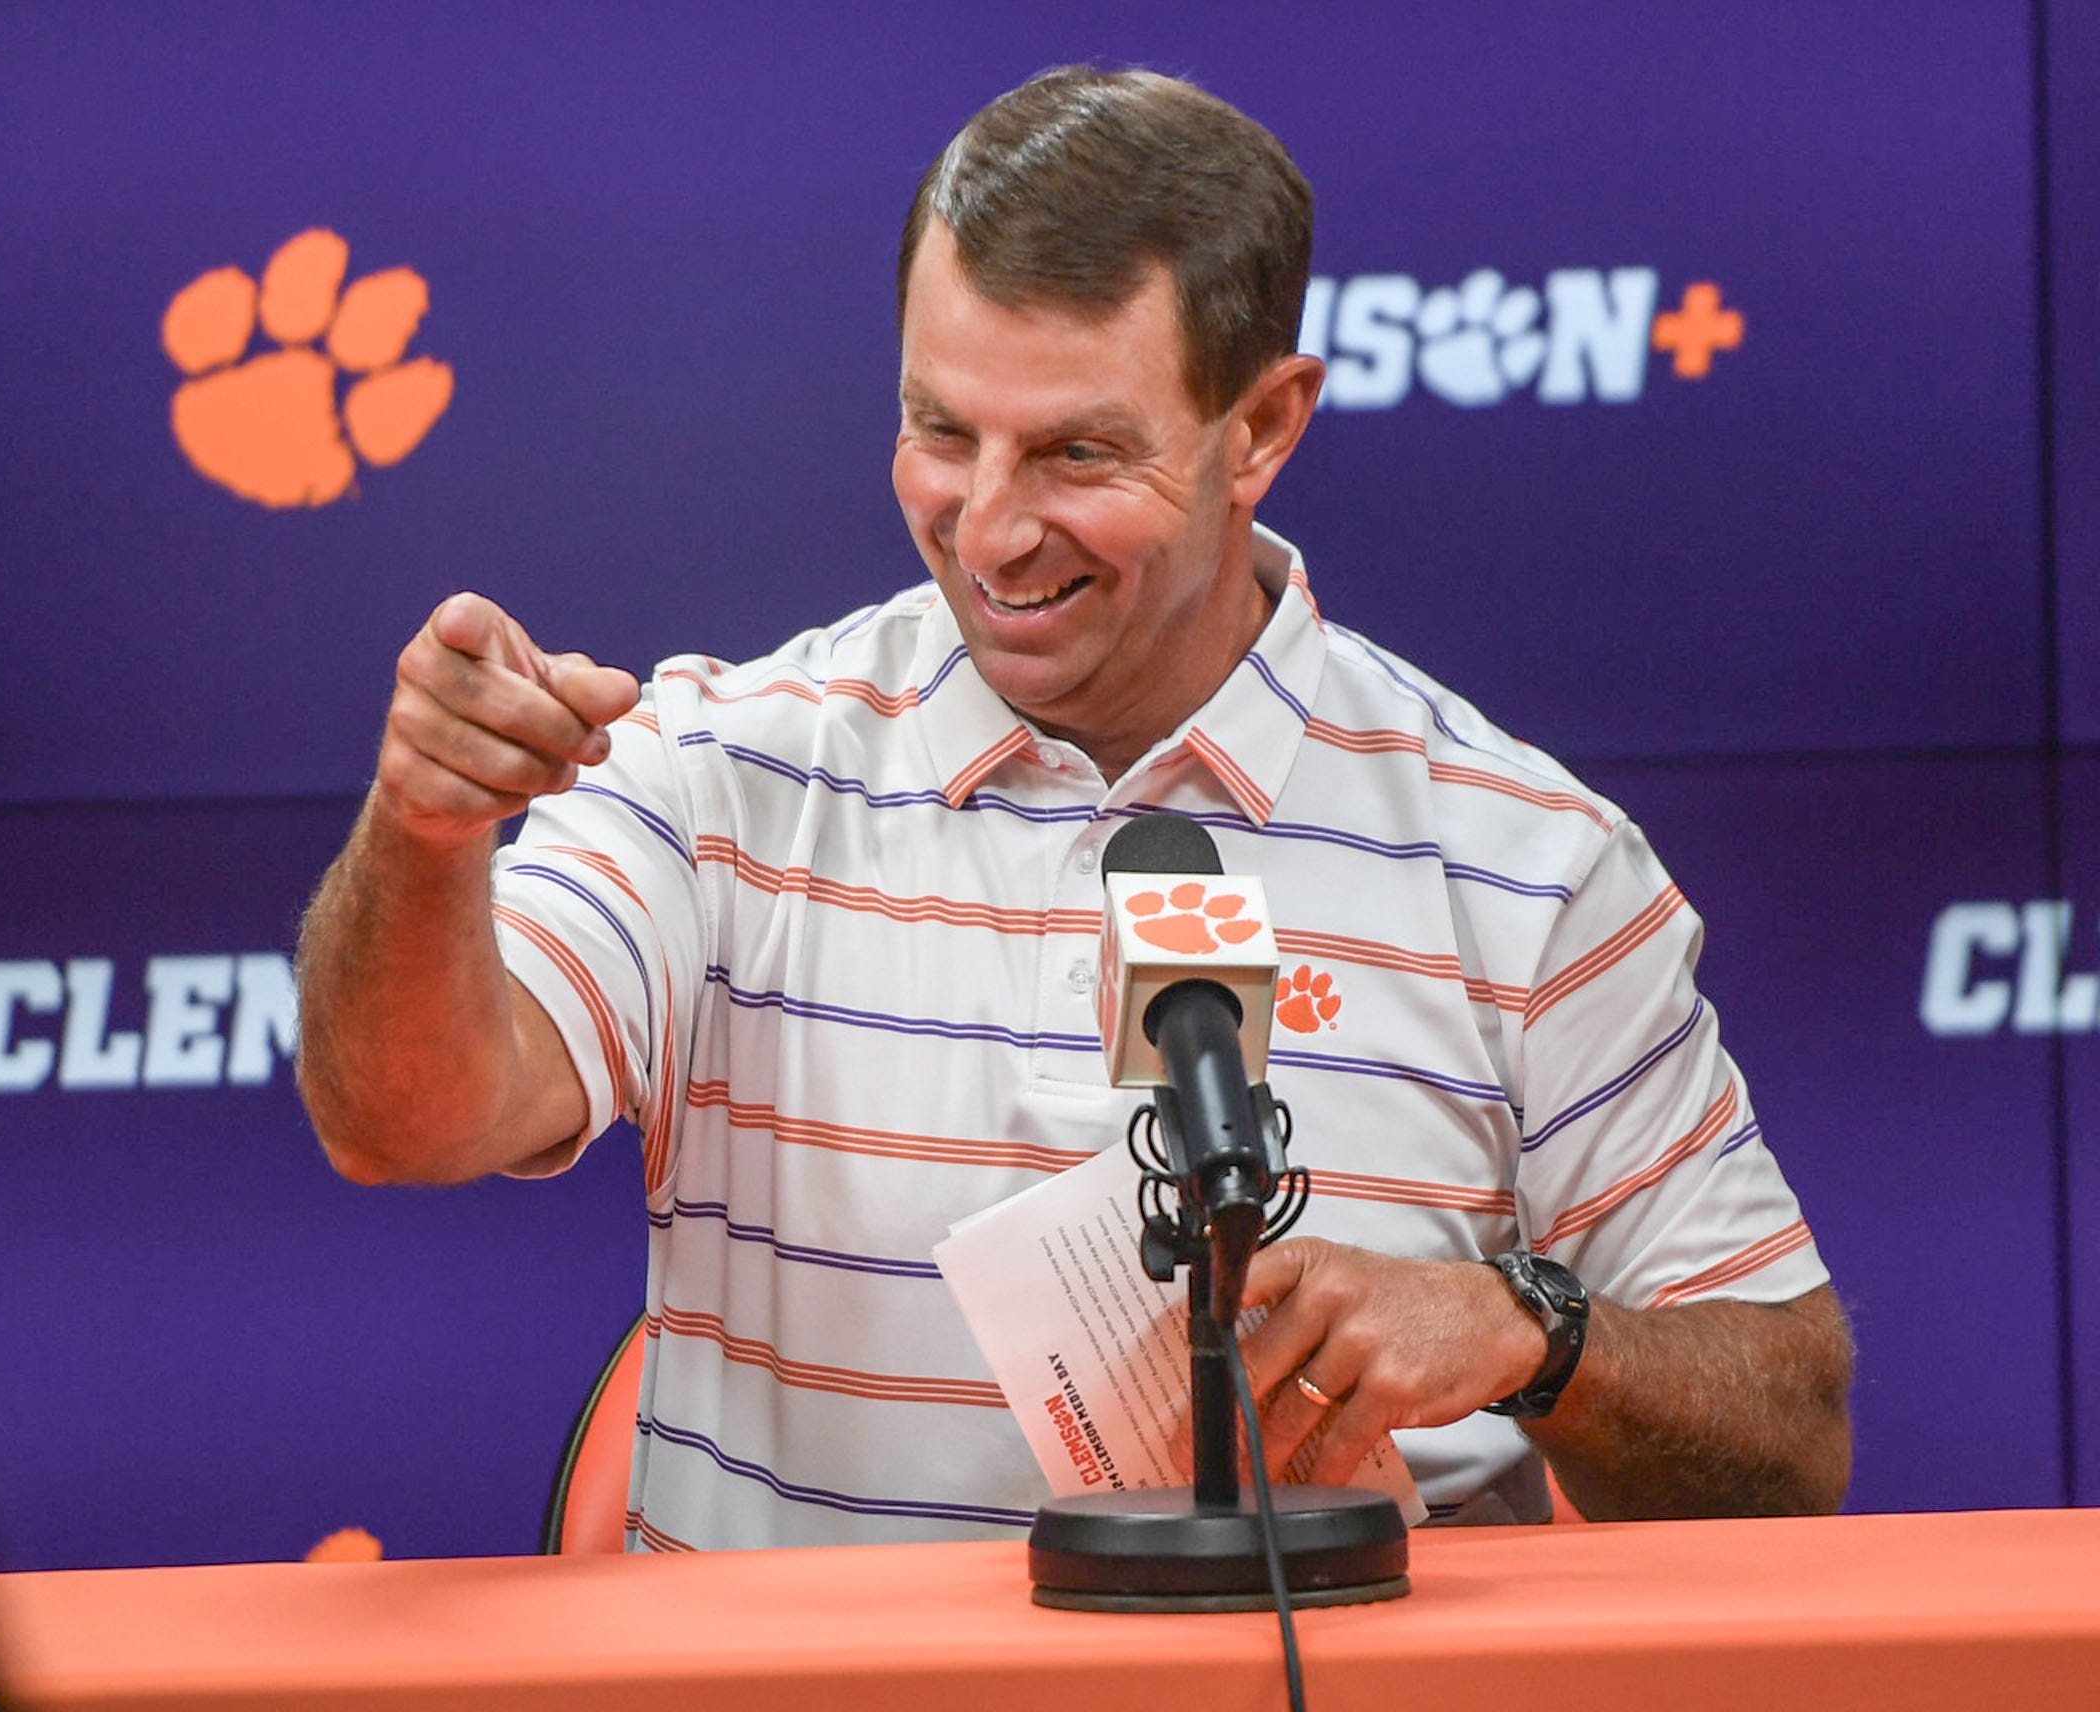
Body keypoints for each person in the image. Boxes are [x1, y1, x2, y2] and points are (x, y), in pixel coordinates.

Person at [296, 66, 1853, 1549]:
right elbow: (402, 1121)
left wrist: (1530, 1332)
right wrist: (427, 843)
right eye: (940, 430)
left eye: (1075, 453)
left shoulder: (1523, 863)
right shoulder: (720, 773)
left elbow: (1789, 1444)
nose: (986, 527)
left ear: (1263, 429)